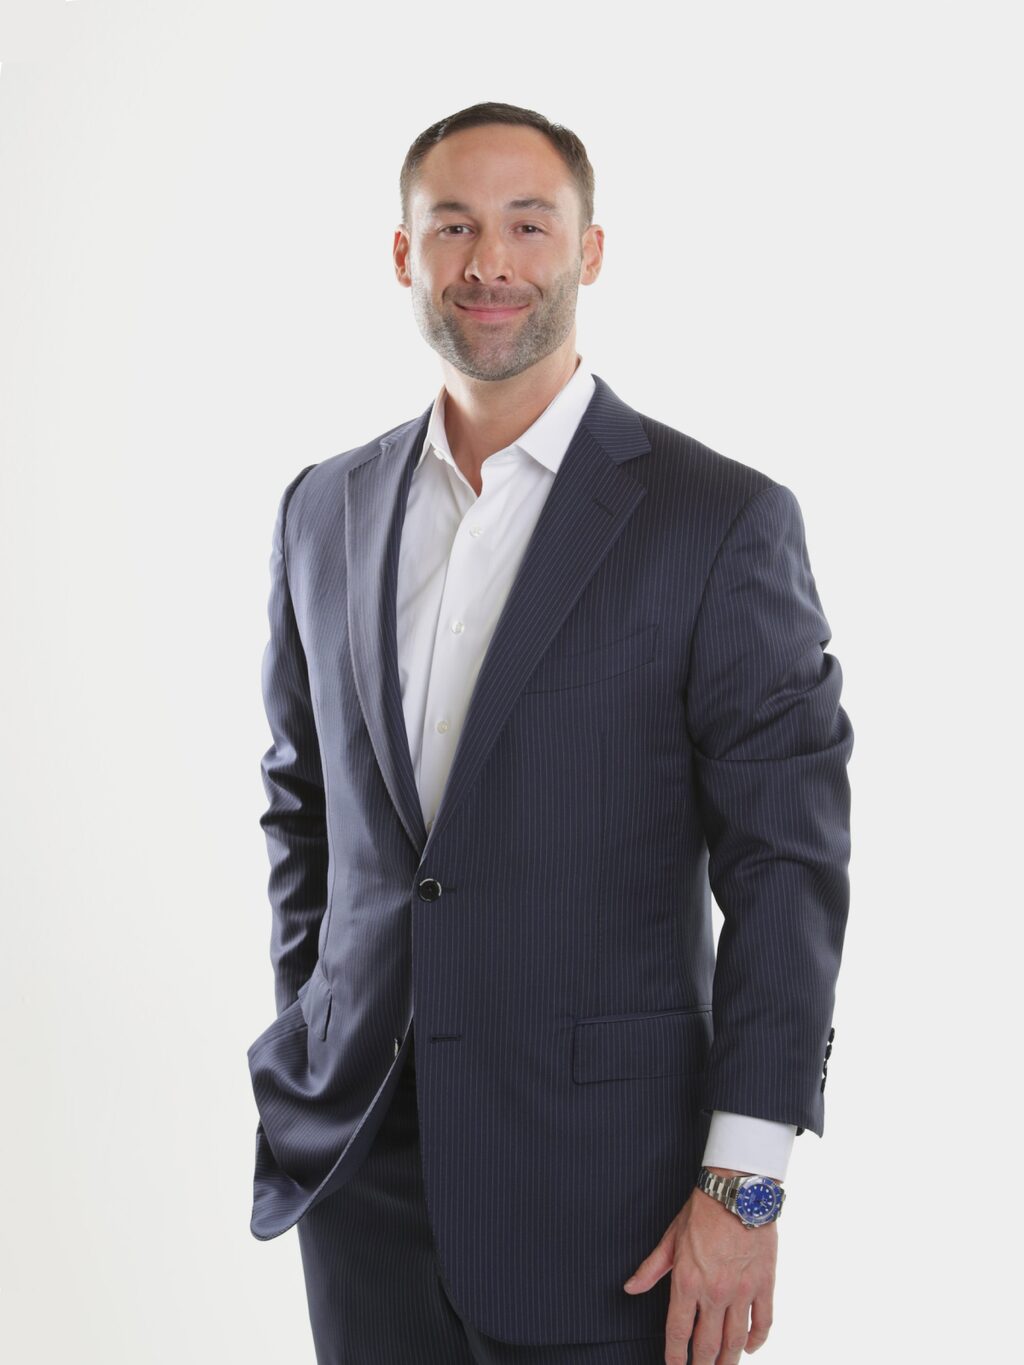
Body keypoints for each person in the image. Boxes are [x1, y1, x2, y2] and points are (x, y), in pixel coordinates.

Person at [245, 101, 854, 1365]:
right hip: (361, 1180)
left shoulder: (716, 520)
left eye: (529, 225)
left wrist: (744, 1186)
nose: (490, 262)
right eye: (453, 226)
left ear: (589, 251)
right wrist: (313, 1028)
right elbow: (302, 809)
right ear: (404, 254)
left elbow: (784, 865)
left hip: (612, 1197)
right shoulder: (322, 508)